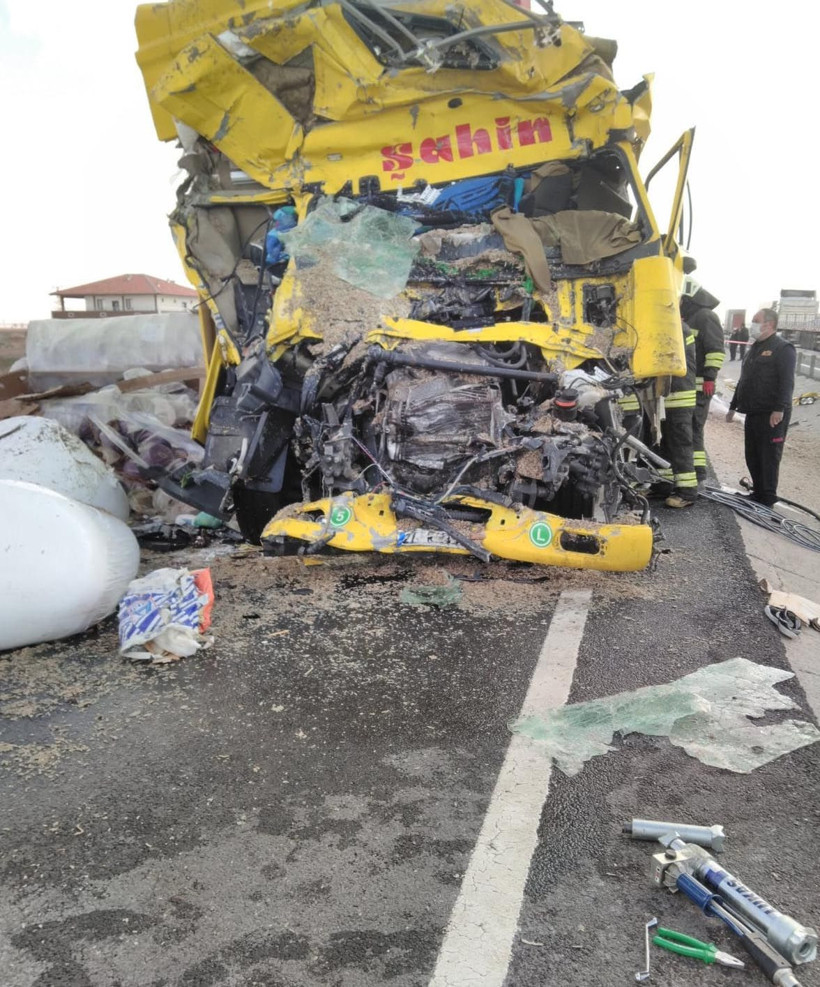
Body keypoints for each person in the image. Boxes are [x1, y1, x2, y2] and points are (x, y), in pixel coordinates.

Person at [726, 309, 796, 506]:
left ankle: (767, 498)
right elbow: (744, 379)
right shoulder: (755, 347)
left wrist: (779, 409)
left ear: (769, 324)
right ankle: (757, 493)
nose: (753, 324)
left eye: (756, 321)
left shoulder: (783, 348)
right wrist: (733, 406)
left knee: (768, 456)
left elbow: (786, 382)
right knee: (753, 454)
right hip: (753, 411)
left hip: (771, 413)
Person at [680, 281, 725, 482]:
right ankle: (694, 468)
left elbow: (716, 351)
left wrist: (710, 377)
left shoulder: (706, 316)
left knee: (695, 427)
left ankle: (698, 472)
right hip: (690, 384)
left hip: (700, 386)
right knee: (688, 428)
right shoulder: (691, 318)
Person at [655, 323, 698, 508]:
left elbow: (667, 356)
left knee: (680, 444)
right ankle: (662, 485)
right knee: (663, 444)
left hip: (679, 396)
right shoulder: (668, 324)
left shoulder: (676, 327)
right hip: (667, 396)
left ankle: (687, 492)